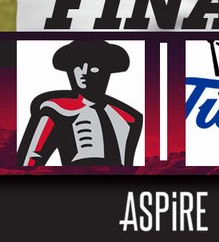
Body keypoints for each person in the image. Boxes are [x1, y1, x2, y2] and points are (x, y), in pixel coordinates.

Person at [17, 39, 143, 167]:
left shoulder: (128, 118)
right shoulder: (56, 111)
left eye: (94, 67)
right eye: (77, 66)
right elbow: (31, 160)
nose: (84, 72)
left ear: (107, 71)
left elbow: (128, 162)